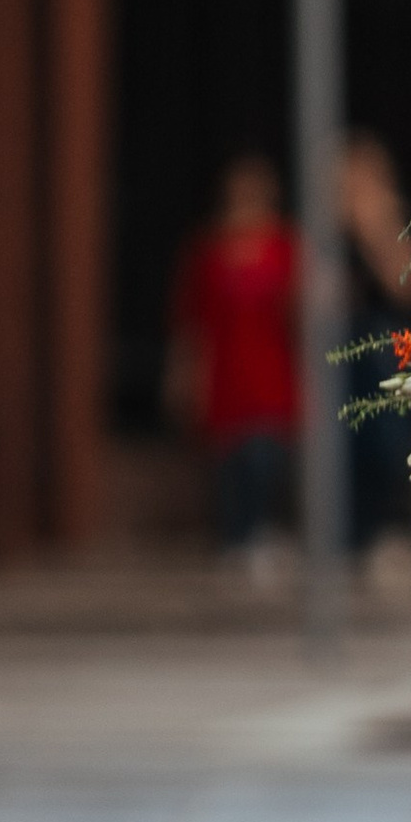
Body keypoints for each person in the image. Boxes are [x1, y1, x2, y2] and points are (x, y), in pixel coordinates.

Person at [166, 154, 300, 565]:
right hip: (225, 374)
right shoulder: (209, 250)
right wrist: (186, 374)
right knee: (229, 463)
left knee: (265, 458)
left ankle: (259, 531)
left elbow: (302, 311)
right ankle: (233, 540)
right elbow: (192, 322)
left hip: (272, 373)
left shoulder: (285, 246)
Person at [339, 133, 411, 556]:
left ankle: (387, 525)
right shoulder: (323, 229)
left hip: (382, 347)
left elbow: (408, 286)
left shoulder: (387, 220)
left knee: (388, 439)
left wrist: (375, 231)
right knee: (344, 445)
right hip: (339, 351)